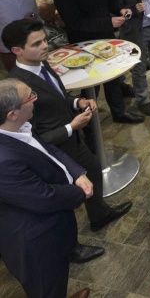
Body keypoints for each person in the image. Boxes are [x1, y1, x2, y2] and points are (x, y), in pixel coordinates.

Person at [3, 19, 133, 242]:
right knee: (63, 204)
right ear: (17, 50)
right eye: (36, 44)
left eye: (44, 40)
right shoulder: (18, 86)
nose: (45, 46)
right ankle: (71, 246)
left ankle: (100, 215)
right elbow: (32, 137)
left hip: (73, 139)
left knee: (92, 169)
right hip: (55, 148)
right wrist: (70, 127)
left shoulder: (42, 64)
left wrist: (77, 103)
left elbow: (58, 97)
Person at [0, 79, 93, 298]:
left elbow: (46, 149)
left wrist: (77, 173)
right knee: (47, 287)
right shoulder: (3, 160)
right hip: (35, 243)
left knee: (58, 280)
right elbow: (43, 197)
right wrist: (81, 192)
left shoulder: (16, 127)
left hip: (51, 229)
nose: (36, 100)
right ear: (12, 113)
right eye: (30, 97)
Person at [52, 0, 143, 124]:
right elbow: (75, 23)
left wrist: (120, 10)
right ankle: (88, 125)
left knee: (112, 76)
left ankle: (119, 112)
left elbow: (109, 1)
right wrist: (108, 21)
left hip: (106, 36)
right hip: (83, 43)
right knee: (90, 85)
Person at [0, 0, 39, 71]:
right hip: (9, 53)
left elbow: (35, 14)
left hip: (32, 47)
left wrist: (32, 18)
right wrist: (22, 23)